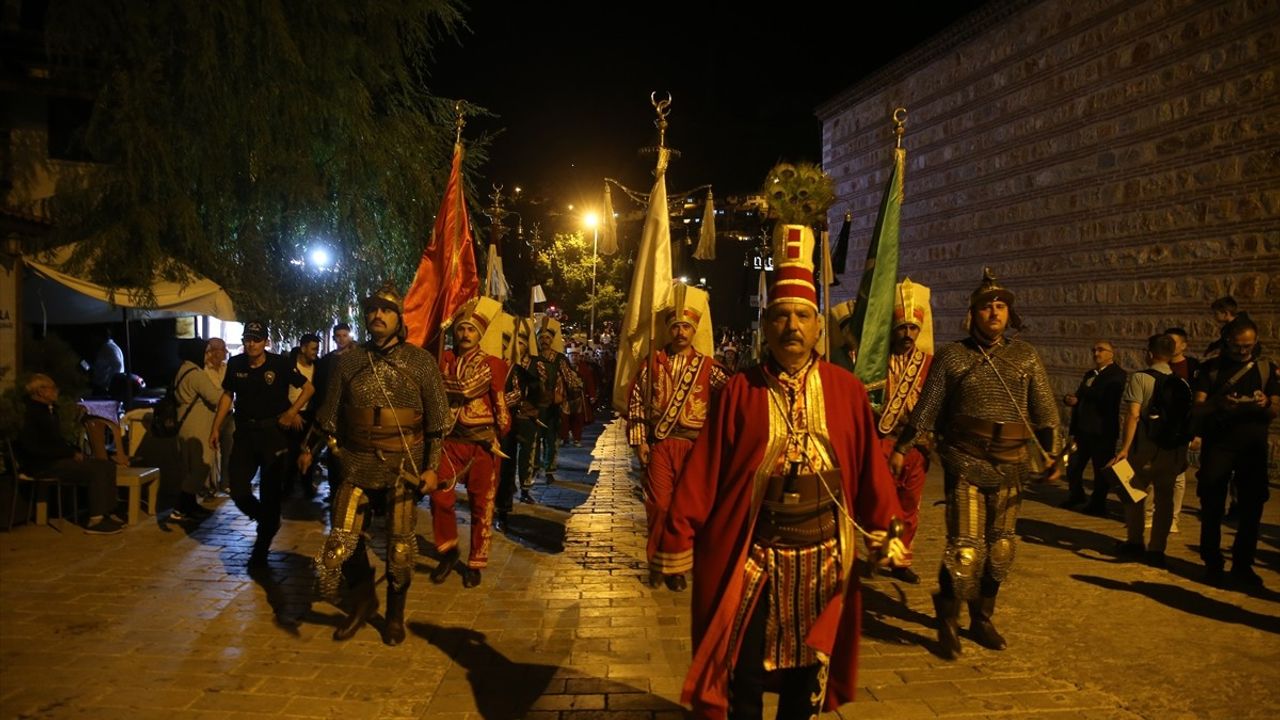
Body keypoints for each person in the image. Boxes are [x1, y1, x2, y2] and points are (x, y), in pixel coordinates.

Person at [654, 225, 906, 719]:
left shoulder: (847, 390)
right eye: (781, 316)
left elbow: (870, 472)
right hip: (754, 556)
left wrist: (886, 527)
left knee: (807, 678)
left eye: (803, 316)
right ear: (766, 326)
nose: (793, 326)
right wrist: (678, 537)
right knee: (742, 672)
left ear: (818, 327)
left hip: (825, 560)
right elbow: (704, 472)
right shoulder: (739, 391)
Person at [892, 268, 1061, 660]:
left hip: (1011, 463)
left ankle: (982, 617)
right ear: (974, 314)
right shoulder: (953, 356)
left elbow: (1046, 413)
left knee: (1000, 548)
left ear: (1009, 313)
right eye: (987, 306)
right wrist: (902, 447)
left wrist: (1052, 453)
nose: (994, 312)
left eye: (1001, 306)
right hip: (966, 460)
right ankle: (948, 619)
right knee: (965, 550)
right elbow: (927, 409)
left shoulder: (1025, 356)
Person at [301, 281, 448, 644]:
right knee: (342, 543)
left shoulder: (421, 362)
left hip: (403, 467)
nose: (377, 315)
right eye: (372, 310)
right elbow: (329, 416)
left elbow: (437, 423)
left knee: (399, 548)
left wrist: (431, 467)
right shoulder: (348, 362)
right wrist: (309, 449)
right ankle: (363, 600)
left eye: (385, 310)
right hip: (356, 464)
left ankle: (395, 616)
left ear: (399, 318)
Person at [627, 285, 727, 591]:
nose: (681, 332)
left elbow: (731, 400)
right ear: (668, 330)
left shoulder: (709, 368)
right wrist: (640, 441)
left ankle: (678, 568)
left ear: (694, 330)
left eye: (686, 326)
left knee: (685, 509)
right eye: (676, 326)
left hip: (694, 448)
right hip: (660, 445)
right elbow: (637, 403)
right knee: (659, 506)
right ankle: (658, 562)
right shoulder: (653, 363)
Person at [210, 321, 313, 569]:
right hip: (245, 434)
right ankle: (267, 520)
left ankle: (260, 551)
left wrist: (292, 412)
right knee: (238, 490)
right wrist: (215, 427)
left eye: (256, 340)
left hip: (273, 435)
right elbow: (228, 395)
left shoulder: (280, 364)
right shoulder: (236, 364)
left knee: (270, 494)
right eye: (248, 339)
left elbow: (308, 388)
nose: (251, 344)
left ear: (266, 342)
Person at [429, 297, 510, 588]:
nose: (465, 334)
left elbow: (468, 388)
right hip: (450, 441)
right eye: (461, 329)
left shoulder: (491, 363)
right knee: (439, 496)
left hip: (482, 444)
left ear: (480, 334)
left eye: (471, 330)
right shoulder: (444, 358)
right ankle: (448, 549)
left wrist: (438, 382)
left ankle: (476, 562)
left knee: (481, 505)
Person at [1192, 318, 1278, 587]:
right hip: (1218, 446)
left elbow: (1275, 408)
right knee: (1212, 505)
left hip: (1252, 447)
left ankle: (1243, 564)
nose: (1243, 351)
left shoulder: (1266, 369)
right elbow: (1197, 408)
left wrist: (1265, 403)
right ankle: (1212, 562)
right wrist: (1218, 403)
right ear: (1227, 341)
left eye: (1248, 346)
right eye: (1238, 346)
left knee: (1252, 507)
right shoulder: (1211, 369)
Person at [1106, 334, 1189, 567]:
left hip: (1144, 447)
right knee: (1165, 499)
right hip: (1170, 450)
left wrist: (1124, 448)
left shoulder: (1140, 378)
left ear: (1150, 354)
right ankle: (1157, 549)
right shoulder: (1182, 382)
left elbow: (1133, 415)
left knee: (1135, 495)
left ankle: (1135, 542)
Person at [19, 374, 123, 534]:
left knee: (107, 466)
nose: (56, 391)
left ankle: (106, 512)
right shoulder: (31, 414)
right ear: (40, 391)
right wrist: (68, 453)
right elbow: (35, 447)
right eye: (52, 388)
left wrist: (74, 451)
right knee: (96, 470)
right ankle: (95, 520)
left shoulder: (49, 411)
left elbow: (56, 440)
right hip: (44, 464)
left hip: (57, 459)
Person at [880, 278, 935, 584]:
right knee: (882, 503)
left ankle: (900, 559)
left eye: (913, 328)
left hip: (916, 445)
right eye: (902, 328)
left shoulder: (929, 364)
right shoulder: (877, 363)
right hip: (884, 442)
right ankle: (882, 550)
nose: (908, 334)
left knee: (909, 506)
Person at [1144, 327, 1199, 533]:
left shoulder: (1193, 369)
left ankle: (1172, 518)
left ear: (1184, 345)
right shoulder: (1157, 369)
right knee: (1151, 472)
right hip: (1157, 429)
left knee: (1178, 476)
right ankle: (1149, 514)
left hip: (1180, 430)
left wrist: (1196, 432)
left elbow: (1197, 403)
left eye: (1174, 342)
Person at [1062, 340, 1126, 513]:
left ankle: (1098, 504)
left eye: (1101, 350)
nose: (1096, 353)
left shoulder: (1117, 374)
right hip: (1082, 429)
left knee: (1100, 470)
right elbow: (1081, 394)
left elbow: (1106, 397)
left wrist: (1083, 393)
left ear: (1111, 353)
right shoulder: (1090, 374)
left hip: (1102, 430)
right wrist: (1071, 399)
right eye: (1094, 350)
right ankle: (1076, 495)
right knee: (1073, 464)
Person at [496, 316, 545, 520]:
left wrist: (498, 401)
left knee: (518, 458)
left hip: (520, 418)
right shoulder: (492, 362)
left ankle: (515, 496)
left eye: (520, 343)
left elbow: (521, 392)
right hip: (491, 421)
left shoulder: (524, 366)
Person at [171, 338, 223, 521]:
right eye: (206, 352)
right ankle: (180, 507)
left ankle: (190, 506)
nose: (208, 356)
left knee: (191, 467)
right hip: (198, 426)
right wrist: (227, 390)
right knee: (202, 465)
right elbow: (215, 397)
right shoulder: (196, 374)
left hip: (186, 425)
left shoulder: (183, 370)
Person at [534, 316, 571, 479]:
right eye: (541, 338)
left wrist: (563, 394)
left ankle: (549, 468)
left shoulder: (559, 359)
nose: (544, 341)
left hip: (553, 407)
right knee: (535, 439)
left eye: (547, 338)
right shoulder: (532, 358)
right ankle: (534, 467)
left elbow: (570, 379)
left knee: (551, 439)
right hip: (535, 405)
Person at [284, 333, 320, 498]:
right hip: (290, 413)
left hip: (309, 414)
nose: (315, 352)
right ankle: (287, 488)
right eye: (313, 349)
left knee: (308, 452)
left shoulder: (318, 367)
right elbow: (280, 392)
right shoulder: (289, 365)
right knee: (290, 453)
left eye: (317, 349)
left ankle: (307, 486)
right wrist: (292, 412)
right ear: (303, 348)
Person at [204, 337, 233, 495]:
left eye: (223, 349)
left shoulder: (226, 368)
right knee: (211, 450)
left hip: (229, 414)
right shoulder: (204, 370)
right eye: (221, 349)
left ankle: (225, 482)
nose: (224, 353)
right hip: (211, 414)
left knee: (229, 449)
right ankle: (209, 485)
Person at [91, 328, 125, 397]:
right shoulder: (111, 346)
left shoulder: (108, 348)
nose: (93, 340)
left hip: (105, 388)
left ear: (99, 337)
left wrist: (109, 383)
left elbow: (118, 365)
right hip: (107, 386)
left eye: (95, 337)